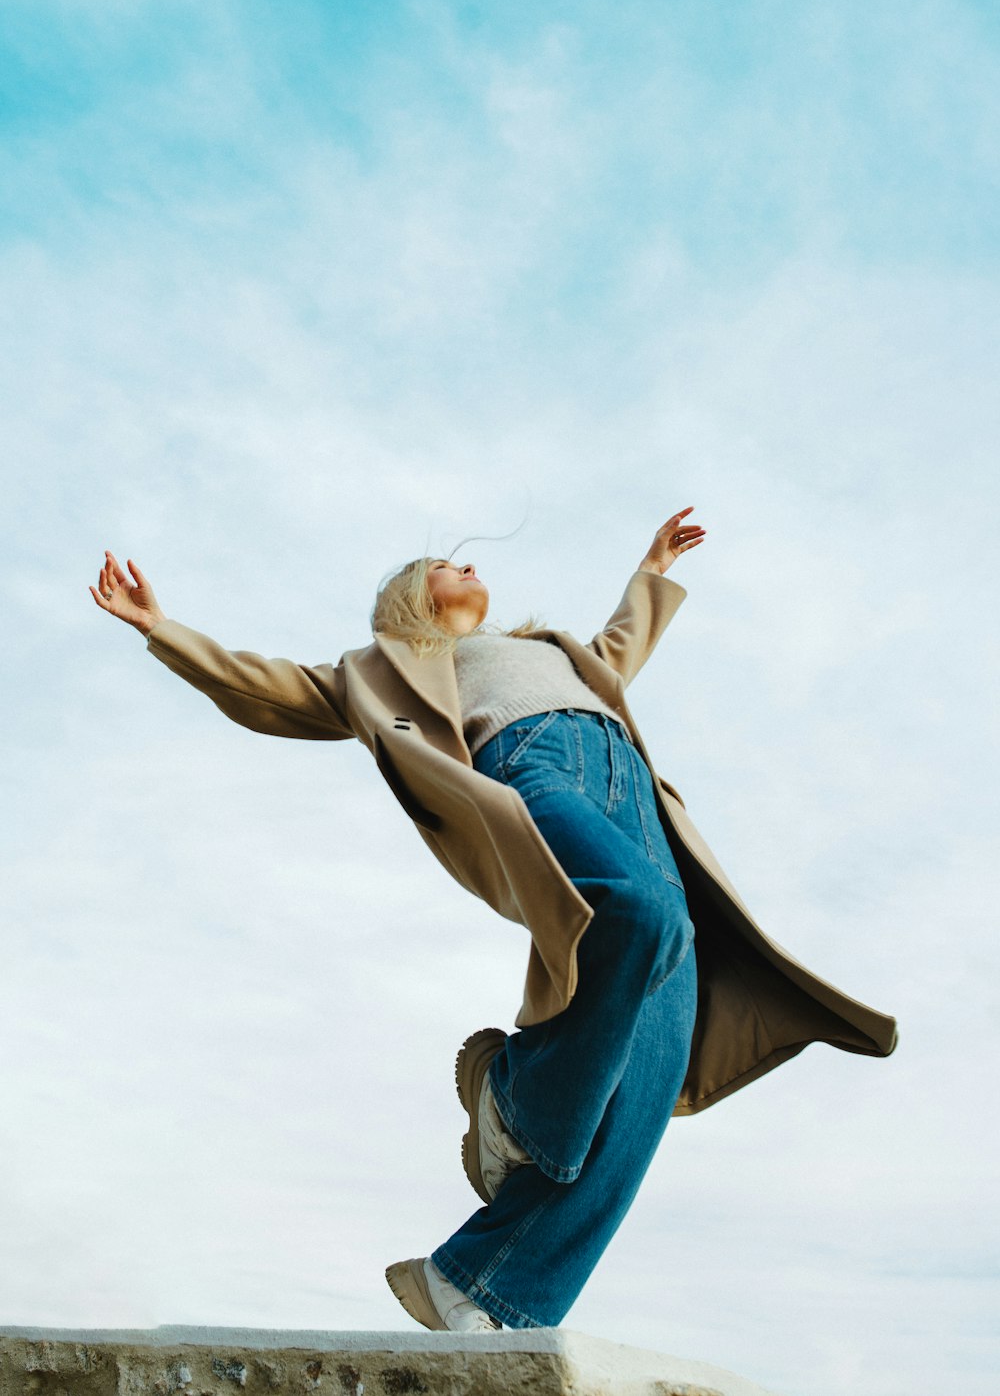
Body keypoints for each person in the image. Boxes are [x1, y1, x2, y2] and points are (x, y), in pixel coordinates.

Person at [89, 506, 897, 1333]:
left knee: (651, 1069)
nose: (468, 567)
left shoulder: (550, 649)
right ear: (411, 596)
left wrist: (651, 572)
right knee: (640, 912)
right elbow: (268, 686)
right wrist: (161, 627)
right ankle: (510, 1095)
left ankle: (482, 1286)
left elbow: (620, 650)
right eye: (446, 563)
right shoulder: (379, 669)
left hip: (633, 795)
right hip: (530, 766)